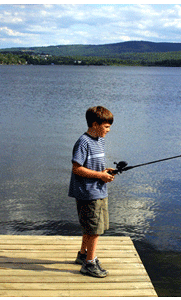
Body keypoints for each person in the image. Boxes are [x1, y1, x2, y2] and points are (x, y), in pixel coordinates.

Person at [68, 106, 115, 278]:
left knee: (90, 226)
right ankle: (89, 263)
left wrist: (105, 171)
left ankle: (83, 255)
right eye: (106, 127)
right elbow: (77, 169)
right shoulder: (83, 142)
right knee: (94, 229)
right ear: (95, 124)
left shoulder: (100, 140)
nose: (108, 130)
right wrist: (100, 176)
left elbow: (94, 165)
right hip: (88, 193)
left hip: (98, 190)